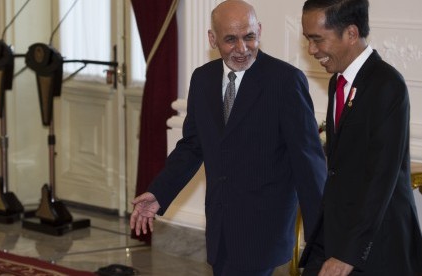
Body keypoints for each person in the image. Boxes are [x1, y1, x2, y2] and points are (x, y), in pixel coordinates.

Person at [130, 0, 326, 275]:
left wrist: (322, 242)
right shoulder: (202, 80)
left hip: (263, 229)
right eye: (230, 40)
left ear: (259, 30)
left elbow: (308, 163)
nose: (242, 48)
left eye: (249, 37)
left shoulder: (285, 81)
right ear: (212, 39)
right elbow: (192, 146)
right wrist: (159, 192)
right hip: (220, 227)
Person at [300, 0, 422, 275]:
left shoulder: (388, 85)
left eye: (318, 39)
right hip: (337, 235)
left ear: (351, 34)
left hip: (376, 248)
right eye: (308, 39)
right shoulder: (338, 82)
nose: (311, 49)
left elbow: (381, 178)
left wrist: (347, 254)